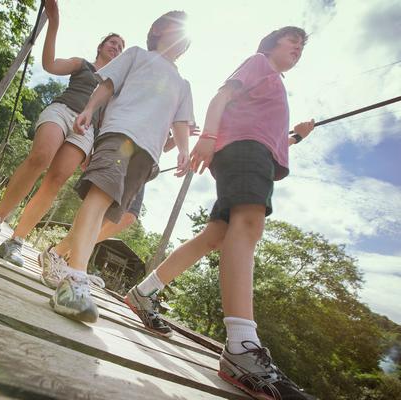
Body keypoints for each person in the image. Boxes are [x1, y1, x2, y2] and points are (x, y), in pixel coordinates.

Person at [124, 27, 316, 400]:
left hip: (250, 150)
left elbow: (265, 130)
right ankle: (242, 348)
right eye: (292, 41)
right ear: (271, 44)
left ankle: (143, 292)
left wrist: (297, 137)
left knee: (217, 235)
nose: (298, 48)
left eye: (302, 47)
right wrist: (208, 136)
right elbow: (223, 97)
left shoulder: (272, 83)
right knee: (248, 224)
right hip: (244, 152)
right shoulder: (260, 63)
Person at [40, 11, 195, 323]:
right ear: (159, 30)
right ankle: (74, 279)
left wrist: (183, 150)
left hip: (148, 152)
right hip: (119, 132)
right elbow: (107, 85)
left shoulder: (183, 84)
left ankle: (65, 263)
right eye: (175, 28)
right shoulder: (137, 55)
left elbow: (181, 122)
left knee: (112, 210)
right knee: (98, 195)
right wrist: (88, 109)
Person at [0, 0, 124, 268]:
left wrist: (96, 148)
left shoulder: (114, 87)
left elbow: (109, 119)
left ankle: (16, 240)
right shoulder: (83, 64)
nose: (116, 47)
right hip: (62, 111)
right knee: (40, 158)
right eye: (112, 42)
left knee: (57, 179)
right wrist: (54, 23)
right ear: (101, 46)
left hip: (87, 131)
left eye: (121, 47)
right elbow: (50, 64)